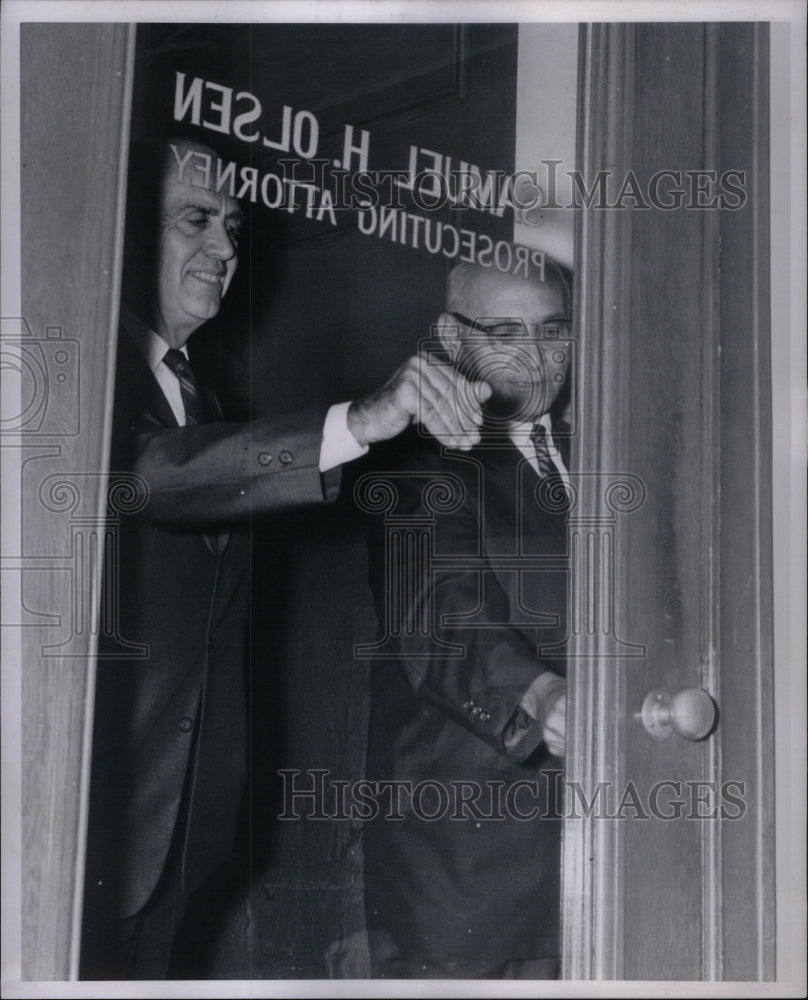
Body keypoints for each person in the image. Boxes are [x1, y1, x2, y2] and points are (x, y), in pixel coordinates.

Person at [79, 138, 490, 980]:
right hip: (87, 812)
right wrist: (358, 421)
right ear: (121, 233)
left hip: (178, 830)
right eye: (196, 220)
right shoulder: (80, 367)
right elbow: (150, 475)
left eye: (233, 225)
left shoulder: (200, 392)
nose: (226, 250)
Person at [362, 260, 572, 979]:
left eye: (553, 332)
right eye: (507, 332)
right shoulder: (416, 456)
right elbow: (443, 612)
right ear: (453, 336)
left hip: (595, 857)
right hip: (468, 871)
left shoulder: (600, 455)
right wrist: (540, 695)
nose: (537, 358)